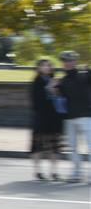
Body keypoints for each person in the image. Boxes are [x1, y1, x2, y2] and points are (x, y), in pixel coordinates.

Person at [56, 51, 91, 183]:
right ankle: (76, 174)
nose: (67, 63)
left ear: (75, 61)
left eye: (70, 60)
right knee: (72, 148)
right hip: (70, 117)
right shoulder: (63, 80)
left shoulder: (85, 75)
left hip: (86, 116)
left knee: (90, 146)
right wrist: (55, 87)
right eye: (65, 61)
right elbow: (61, 98)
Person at [29, 59, 63, 180]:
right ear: (38, 68)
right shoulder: (36, 82)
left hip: (54, 119)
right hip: (41, 118)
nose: (47, 67)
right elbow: (36, 101)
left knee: (54, 147)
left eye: (49, 65)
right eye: (43, 65)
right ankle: (38, 171)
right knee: (38, 146)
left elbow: (61, 97)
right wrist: (49, 87)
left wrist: (56, 89)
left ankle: (54, 172)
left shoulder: (55, 80)